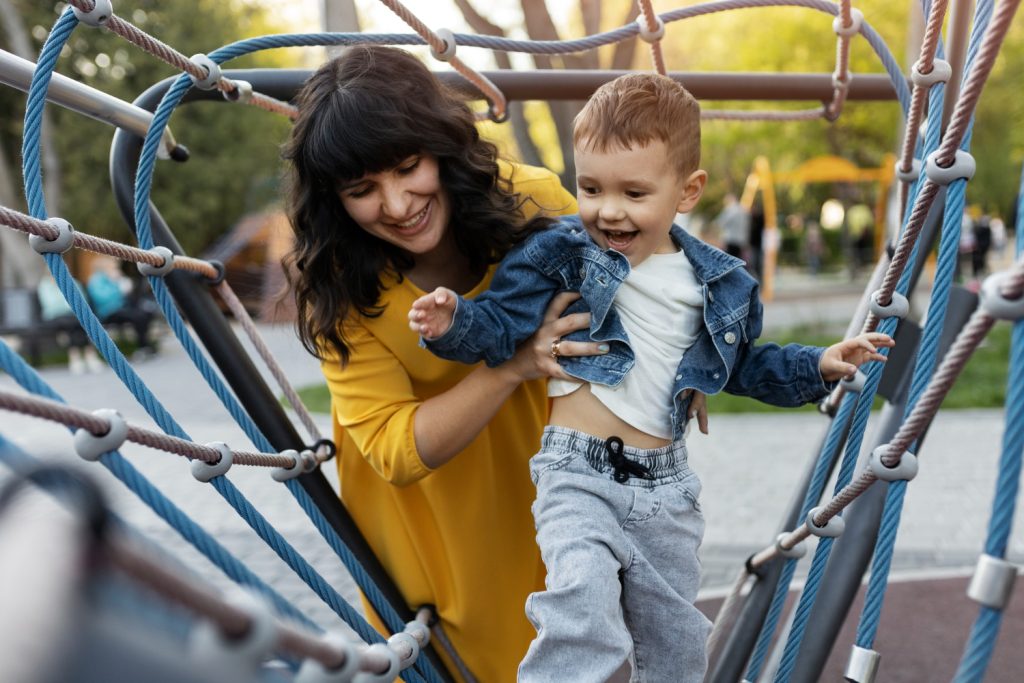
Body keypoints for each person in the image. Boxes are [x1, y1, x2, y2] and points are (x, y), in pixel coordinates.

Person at [409, 73, 894, 682]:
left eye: (633, 193)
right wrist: (455, 321)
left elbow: (741, 366)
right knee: (582, 606)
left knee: (678, 640)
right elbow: (503, 326)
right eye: (590, 187)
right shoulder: (561, 253)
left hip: (667, 489)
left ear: (686, 191)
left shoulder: (720, 284)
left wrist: (816, 364)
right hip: (577, 474)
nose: (607, 209)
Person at [281, 46, 621, 682]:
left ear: (440, 146)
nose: (396, 203)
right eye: (362, 189)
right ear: (336, 199)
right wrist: (512, 366)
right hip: (437, 536)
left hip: (552, 496)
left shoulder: (532, 203)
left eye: (408, 167)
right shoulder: (343, 286)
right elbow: (394, 450)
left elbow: (626, 288)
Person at [86, 255, 158, 359]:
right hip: (108, 312)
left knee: (145, 313)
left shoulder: (112, 279)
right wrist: (118, 287)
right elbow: (102, 298)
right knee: (137, 316)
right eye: (112, 267)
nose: (115, 269)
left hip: (122, 309)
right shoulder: (96, 280)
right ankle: (143, 347)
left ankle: (145, 345)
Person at [36, 276, 103, 374]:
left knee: (78, 323)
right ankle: (88, 355)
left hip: (72, 314)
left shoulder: (74, 282)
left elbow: (82, 299)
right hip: (55, 315)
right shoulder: (45, 286)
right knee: (72, 323)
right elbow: (51, 304)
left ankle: (76, 357)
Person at [714, 191, 750, 262]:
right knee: (736, 260)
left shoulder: (730, 209)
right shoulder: (743, 210)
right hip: (740, 240)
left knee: (728, 260)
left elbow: (721, 221)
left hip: (730, 239)